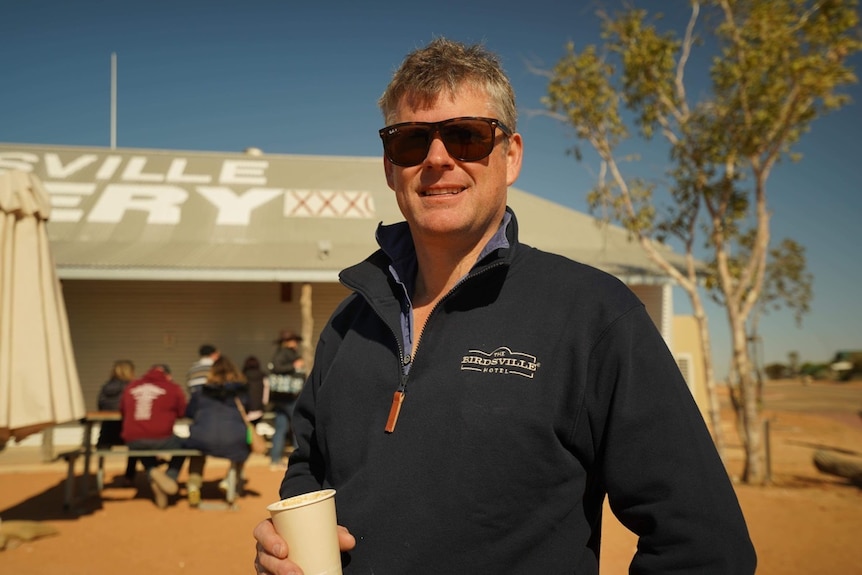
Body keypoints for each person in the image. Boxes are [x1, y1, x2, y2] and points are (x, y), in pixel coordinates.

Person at [253, 38, 756, 574]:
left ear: (510, 155)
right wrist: (286, 546)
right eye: (411, 141)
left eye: (467, 137)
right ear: (388, 165)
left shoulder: (594, 316)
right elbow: (308, 467)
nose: (438, 159)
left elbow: (703, 548)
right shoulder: (350, 322)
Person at [183, 355, 251, 507]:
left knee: (197, 452)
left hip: (203, 438)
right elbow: (249, 410)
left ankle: (193, 486)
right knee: (244, 449)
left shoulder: (200, 392)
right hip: (233, 439)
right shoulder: (241, 393)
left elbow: (189, 412)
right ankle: (229, 481)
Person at [120, 364, 187, 509]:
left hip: (132, 439)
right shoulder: (173, 388)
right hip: (162, 437)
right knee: (185, 446)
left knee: (141, 446)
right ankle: (169, 477)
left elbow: (123, 410)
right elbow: (182, 411)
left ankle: (152, 471)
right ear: (168, 376)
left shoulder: (131, 387)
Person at [266, 330, 305, 469]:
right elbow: (278, 367)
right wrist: (294, 366)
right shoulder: (286, 353)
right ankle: (300, 460)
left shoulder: (279, 352)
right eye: (293, 340)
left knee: (281, 428)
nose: (295, 343)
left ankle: (275, 459)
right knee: (298, 427)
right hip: (289, 398)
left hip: (280, 398)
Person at [95, 359, 138, 485]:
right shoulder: (132, 388)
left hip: (107, 436)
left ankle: (99, 478)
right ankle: (129, 477)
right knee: (140, 442)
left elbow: (100, 407)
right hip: (128, 435)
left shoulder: (105, 388)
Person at [242, 355, 269, 424]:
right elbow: (266, 393)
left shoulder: (242, 377)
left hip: (245, 410)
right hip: (258, 409)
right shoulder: (263, 376)